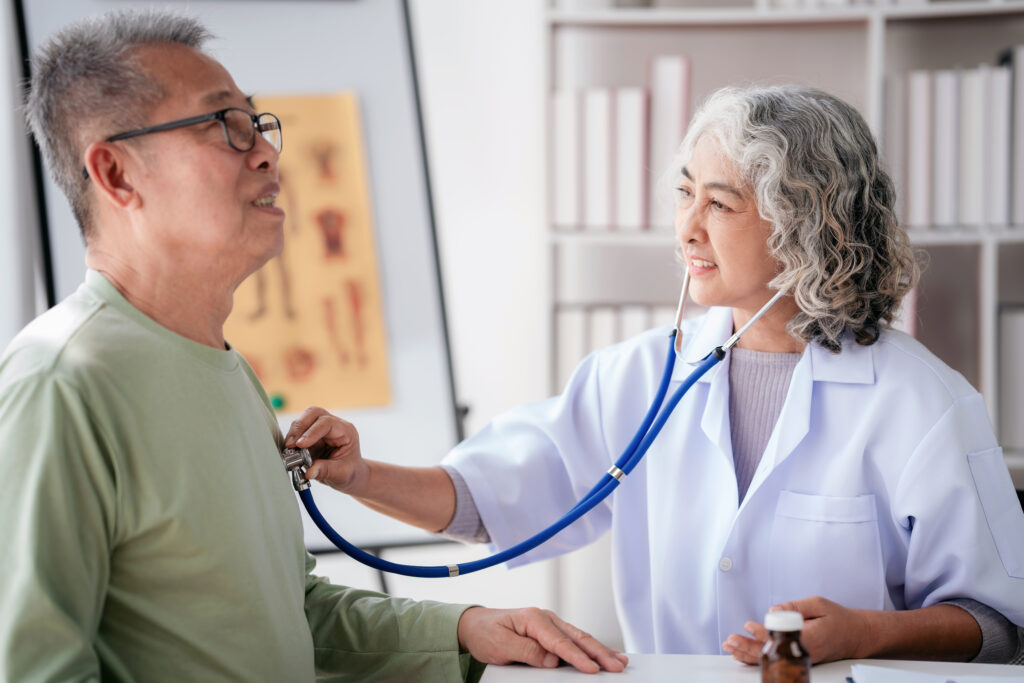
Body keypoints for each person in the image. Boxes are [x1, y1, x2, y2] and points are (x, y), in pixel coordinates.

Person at [287, 85, 1024, 665]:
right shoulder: (640, 375)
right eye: (684, 193)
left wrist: (866, 632)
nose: (687, 227)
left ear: (807, 225)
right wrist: (360, 475)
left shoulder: (921, 402)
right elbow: (491, 498)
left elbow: (996, 623)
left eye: (720, 203)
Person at [0, 9, 630, 681]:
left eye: (256, 123)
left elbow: (293, 614)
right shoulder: (59, 385)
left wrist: (464, 629)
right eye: (224, 125)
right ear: (117, 174)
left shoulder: (228, 372)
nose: (267, 152)